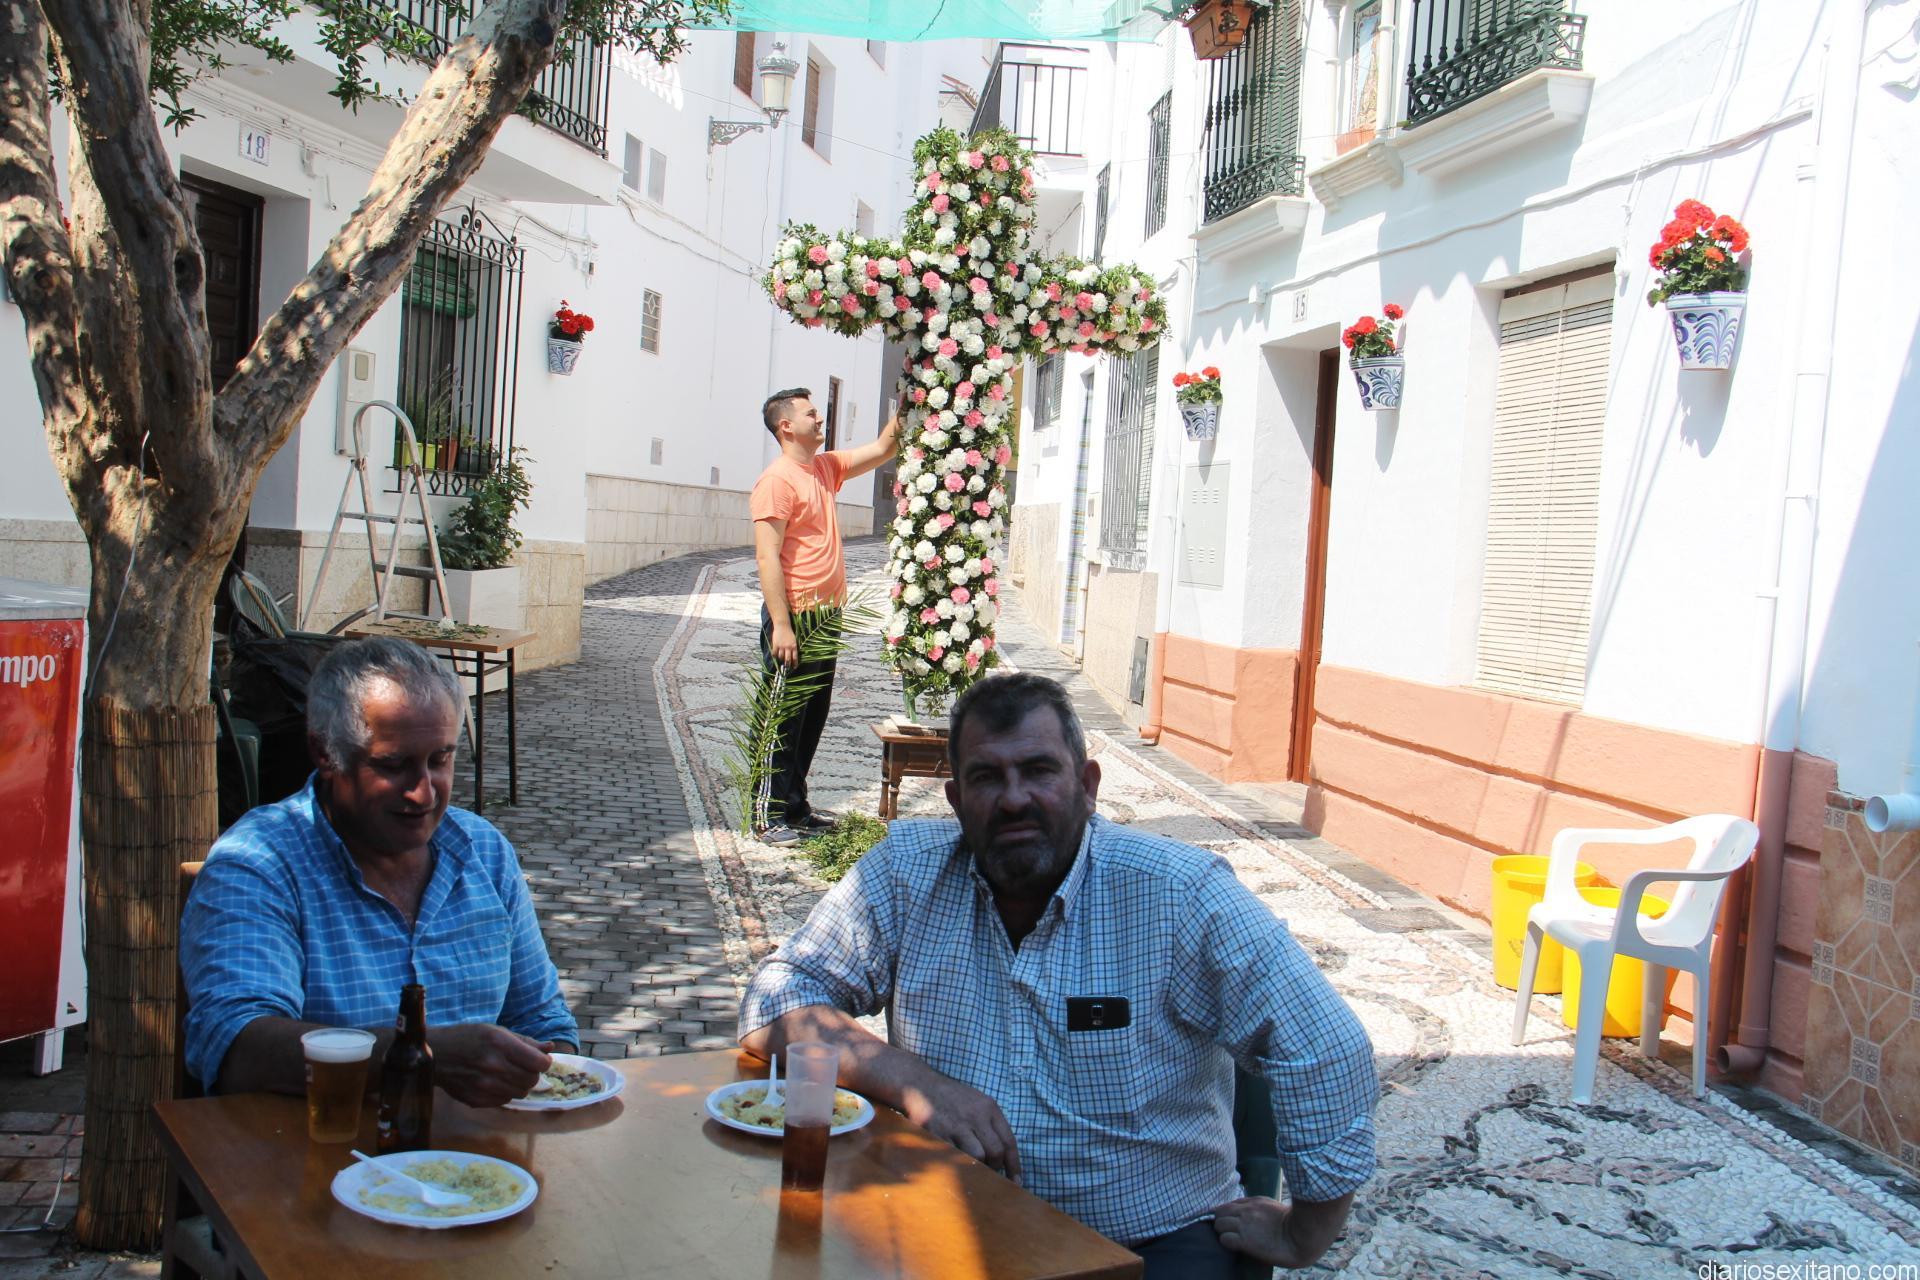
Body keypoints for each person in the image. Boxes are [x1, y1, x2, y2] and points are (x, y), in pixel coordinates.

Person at [739, 672, 1377, 1276]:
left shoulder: (1177, 894)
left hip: (1148, 1242)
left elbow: (1326, 1045)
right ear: (956, 800)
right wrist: (915, 1081)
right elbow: (775, 996)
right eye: (987, 777)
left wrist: (1306, 1232)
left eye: (1039, 770)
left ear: (1088, 784)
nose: (1014, 798)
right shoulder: (907, 874)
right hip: (947, 1220)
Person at [182, 636, 578, 1105]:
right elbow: (239, 1049)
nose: (423, 793)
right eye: (393, 765)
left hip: (482, 1149)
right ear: (325, 753)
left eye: (440, 760)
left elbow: (542, 1020)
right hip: (315, 1145)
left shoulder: (485, 852)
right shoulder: (260, 864)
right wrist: (419, 1057)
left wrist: (555, 1076)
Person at [750, 387, 899, 844]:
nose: (820, 419)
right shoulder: (777, 481)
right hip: (795, 617)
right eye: (811, 413)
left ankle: (795, 807)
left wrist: (910, 398)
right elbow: (767, 557)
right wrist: (781, 625)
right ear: (786, 426)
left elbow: (883, 447)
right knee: (781, 718)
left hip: (826, 618)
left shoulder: (824, 468)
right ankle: (766, 815)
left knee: (811, 717)